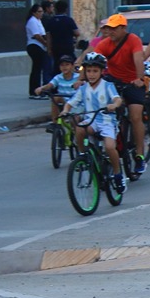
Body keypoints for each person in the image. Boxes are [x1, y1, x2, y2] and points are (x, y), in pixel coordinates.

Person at [62, 52, 127, 193]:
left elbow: (117, 99)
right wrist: (66, 110)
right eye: (89, 71)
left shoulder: (107, 85)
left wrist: (114, 105)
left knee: (110, 147)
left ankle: (118, 174)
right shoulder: (83, 88)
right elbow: (71, 102)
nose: (91, 74)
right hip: (91, 121)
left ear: (102, 71)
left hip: (107, 121)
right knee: (80, 129)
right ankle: (83, 155)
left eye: (95, 71)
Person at [95, 13, 148, 176]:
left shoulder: (133, 40)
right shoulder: (105, 44)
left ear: (123, 28)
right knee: (105, 110)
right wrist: (81, 79)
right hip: (114, 82)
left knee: (135, 116)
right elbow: (93, 59)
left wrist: (139, 78)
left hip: (133, 82)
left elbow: (138, 59)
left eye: (114, 29)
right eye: (108, 29)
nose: (110, 32)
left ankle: (139, 155)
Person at [35, 54, 79, 122]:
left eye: (67, 64)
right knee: (55, 98)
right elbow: (50, 85)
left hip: (76, 103)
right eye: (62, 65)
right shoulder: (58, 77)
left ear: (72, 66)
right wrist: (41, 88)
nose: (64, 67)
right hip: (64, 101)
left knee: (75, 121)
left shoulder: (78, 77)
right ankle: (55, 122)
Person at [45, 0, 81, 65]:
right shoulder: (69, 20)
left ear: (55, 9)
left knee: (57, 64)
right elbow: (77, 33)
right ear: (66, 9)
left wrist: (49, 49)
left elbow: (48, 37)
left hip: (55, 47)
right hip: (67, 46)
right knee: (72, 63)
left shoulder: (50, 21)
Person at [25, 3, 49, 99]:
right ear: (34, 12)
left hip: (39, 46)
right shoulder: (32, 21)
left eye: (42, 11)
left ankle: (36, 90)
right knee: (37, 69)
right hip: (34, 46)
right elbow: (37, 35)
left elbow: (43, 34)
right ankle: (35, 91)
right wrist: (45, 43)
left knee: (38, 68)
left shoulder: (38, 21)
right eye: (39, 11)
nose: (41, 13)